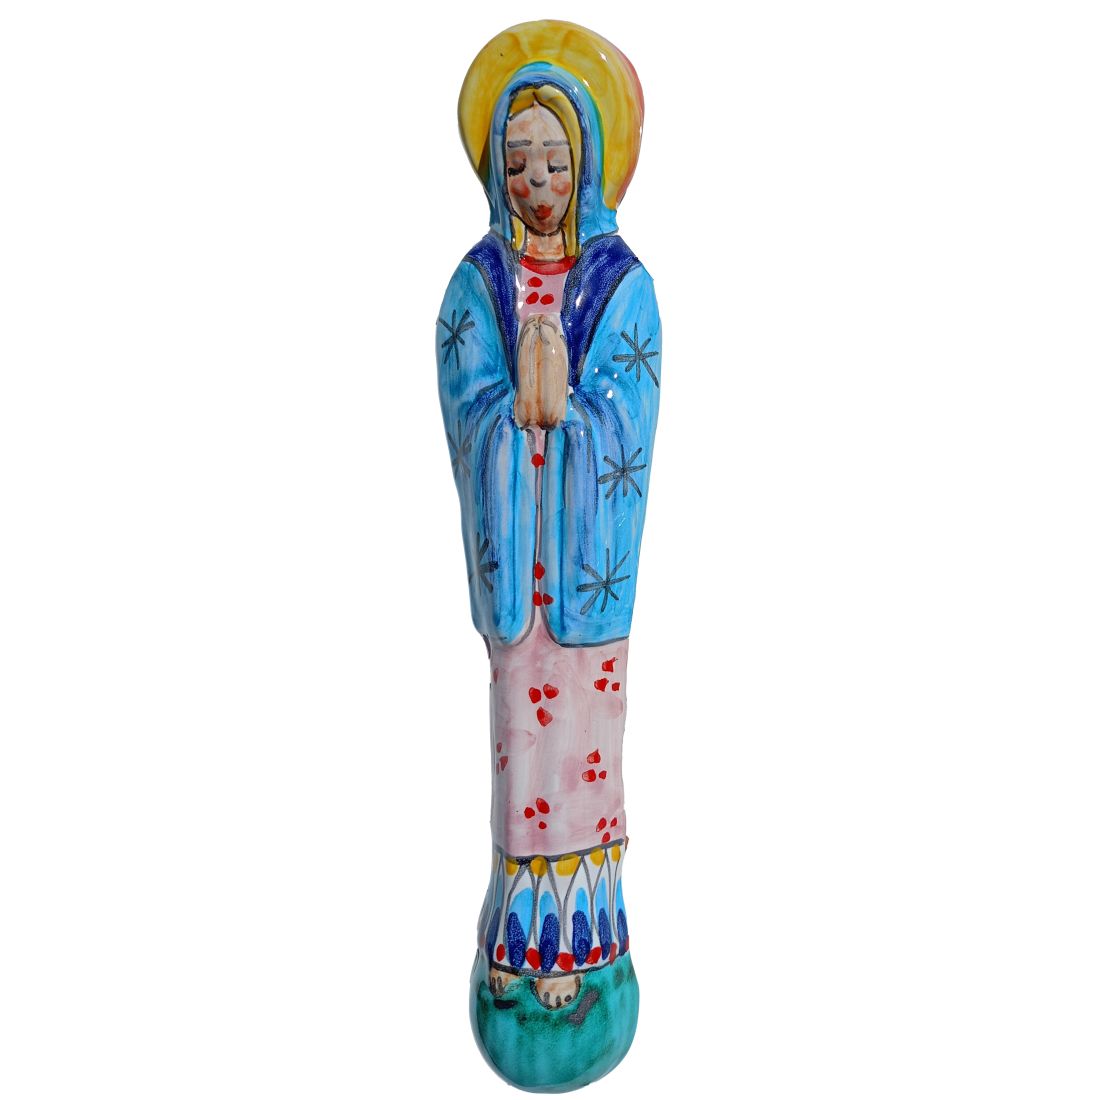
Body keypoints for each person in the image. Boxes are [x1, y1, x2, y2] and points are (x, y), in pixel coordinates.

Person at [436, 20, 660, 1091]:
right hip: (517, 569)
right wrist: (508, 416)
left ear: (590, 167)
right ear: (493, 167)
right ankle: (519, 948)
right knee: (520, 751)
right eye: (518, 161)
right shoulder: (475, 283)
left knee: (585, 747)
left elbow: (632, 410)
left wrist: (573, 413)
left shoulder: (620, 284)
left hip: (584, 575)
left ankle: (589, 945)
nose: (535, 182)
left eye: (555, 162)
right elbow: (465, 402)